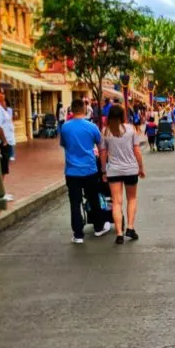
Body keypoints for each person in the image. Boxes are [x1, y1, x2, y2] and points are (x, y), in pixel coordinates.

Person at [59, 97, 111, 244]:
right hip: (89, 169)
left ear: (72, 111)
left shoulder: (65, 127)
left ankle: (78, 234)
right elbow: (101, 148)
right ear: (84, 110)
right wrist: (103, 169)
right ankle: (99, 227)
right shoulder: (92, 127)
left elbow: (64, 144)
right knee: (94, 199)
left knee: (75, 203)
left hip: (72, 171)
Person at [100, 104, 144, 244]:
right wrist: (141, 167)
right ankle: (130, 228)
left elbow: (103, 153)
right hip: (130, 169)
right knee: (132, 198)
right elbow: (137, 150)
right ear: (122, 115)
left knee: (116, 202)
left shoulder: (105, 131)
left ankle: (119, 233)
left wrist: (103, 170)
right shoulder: (131, 129)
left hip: (113, 170)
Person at [0, 89, 15, 201]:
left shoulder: (2, 108)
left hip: (8, 141)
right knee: (2, 168)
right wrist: (4, 141)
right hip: (4, 142)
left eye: (3, 93)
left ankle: (2, 191)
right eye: (0, 93)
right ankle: (0, 192)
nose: (3, 95)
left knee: (4, 168)